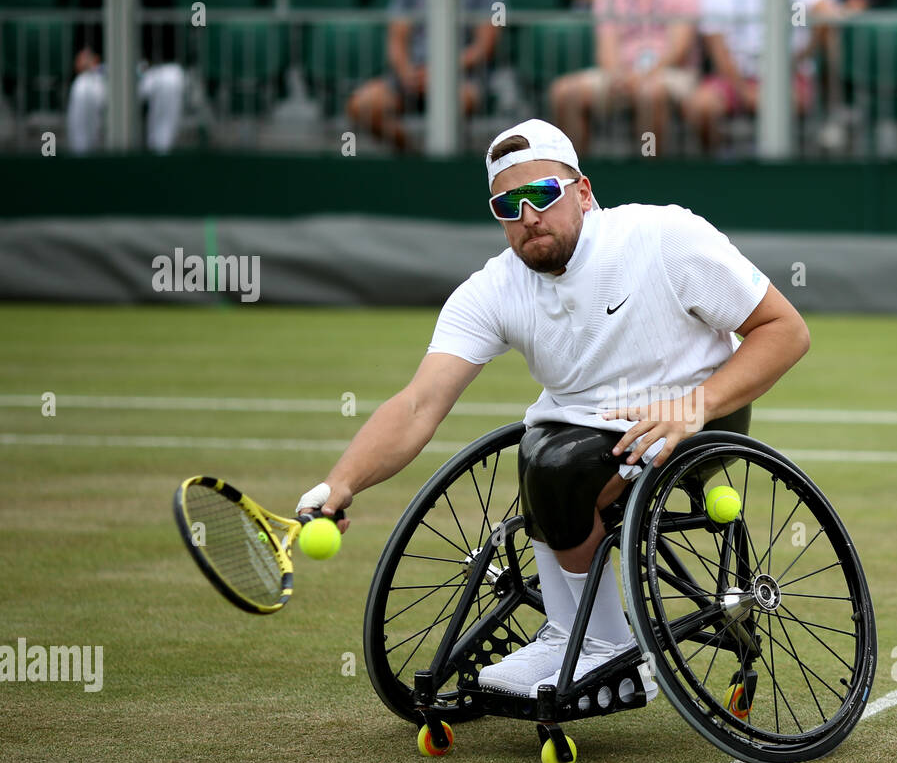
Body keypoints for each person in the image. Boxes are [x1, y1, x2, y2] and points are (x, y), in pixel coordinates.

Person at [296, 118, 810, 698]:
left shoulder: (663, 237)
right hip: (582, 427)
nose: (527, 216)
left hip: (703, 412)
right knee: (541, 454)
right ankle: (570, 634)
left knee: (556, 468)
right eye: (506, 205)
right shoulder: (493, 289)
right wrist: (339, 485)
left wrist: (696, 405)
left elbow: (785, 331)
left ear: (583, 193)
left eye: (542, 195)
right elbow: (418, 404)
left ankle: (614, 650)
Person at [548, 0, 699, 155]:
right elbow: (606, 50)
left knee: (649, 94)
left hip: (670, 73)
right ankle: (576, 175)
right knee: (565, 92)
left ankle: (650, 170)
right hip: (619, 75)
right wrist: (618, 76)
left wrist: (643, 77)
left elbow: (678, 50)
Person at [346, 0, 501, 151]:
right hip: (410, 77)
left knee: (459, 102)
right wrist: (406, 72)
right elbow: (396, 41)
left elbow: (483, 47)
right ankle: (412, 151)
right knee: (362, 105)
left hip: (463, 78)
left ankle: (439, 156)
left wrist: (440, 73)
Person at [684, 0, 835, 153]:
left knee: (780, 104)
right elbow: (719, 51)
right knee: (700, 106)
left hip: (788, 79)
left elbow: (826, 13)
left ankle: (776, 169)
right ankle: (721, 164)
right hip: (734, 79)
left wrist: (800, 58)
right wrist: (744, 90)